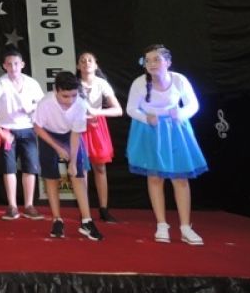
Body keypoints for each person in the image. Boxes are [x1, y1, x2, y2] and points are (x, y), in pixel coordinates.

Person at [126, 44, 207, 246]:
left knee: (180, 178)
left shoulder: (179, 80)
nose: (151, 64)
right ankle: (161, 224)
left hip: (175, 130)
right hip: (150, 131)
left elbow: (193, 104)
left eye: (156, 59)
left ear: (168, 62)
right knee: (155, 178)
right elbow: (131, 108)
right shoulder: (139, 83)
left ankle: (186, 227)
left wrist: (180, 113)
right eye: (148, 60)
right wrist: (147, 118)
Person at [34, 71, 103, 241]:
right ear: (56, 90)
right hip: (48, 134)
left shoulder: (80, 104)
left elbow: (75, 134)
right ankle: (57, 220)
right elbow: (38, 128)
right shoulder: (45, 103)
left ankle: (86, 221)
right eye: (65, 96)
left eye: (73, 95)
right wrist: (57, 147)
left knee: (78, 175)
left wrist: (72, 161)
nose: (70, 100)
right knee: (51, 177)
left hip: (69, 135)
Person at [0, 48, 45, 220]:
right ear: (4, 66)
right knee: (9, 168)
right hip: (7, 131)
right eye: (9, 64)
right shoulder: (1, 83)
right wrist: (0, 132)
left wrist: (32, 108)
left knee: (30, 167)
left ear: (22, 64)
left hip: (28, 130)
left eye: (16, 63)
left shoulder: (32, 83)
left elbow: (43, 105)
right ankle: (12, 206)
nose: (13, 67)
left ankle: (29, 205)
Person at [76, 51, 123, 222]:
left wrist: (97, 112)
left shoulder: (102, 83)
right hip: (78, 127)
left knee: (100, 168)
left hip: (97, 126)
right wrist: (83, 116)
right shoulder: (73, 83)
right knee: (81, 169)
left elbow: (118, 110)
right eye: (82, 61)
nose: (86, 63)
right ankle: (84, 210)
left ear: (96, 65)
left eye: (90, 60)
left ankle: (104, 209)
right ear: (78, 66)